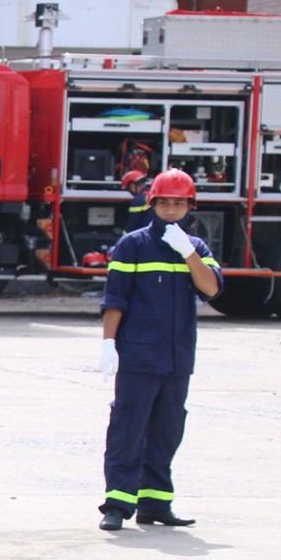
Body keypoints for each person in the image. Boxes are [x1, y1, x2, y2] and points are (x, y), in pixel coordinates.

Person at [98, 167, 222, 532]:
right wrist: (109, 343)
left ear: (189, 206)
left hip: (177, 357)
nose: (170, 210)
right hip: (137, 355)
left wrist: (188, 253)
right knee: (128, 427)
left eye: (178, 203)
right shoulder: (132, 244)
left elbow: (212, 289)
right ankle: (118, 503)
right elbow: (115, 298)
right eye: (164, 202)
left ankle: (155, 502)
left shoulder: (196, 248)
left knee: (167, 429)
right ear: (152, 203)